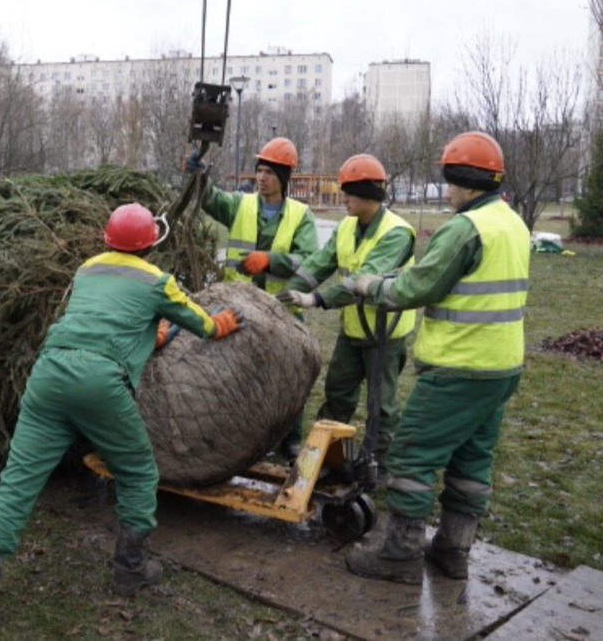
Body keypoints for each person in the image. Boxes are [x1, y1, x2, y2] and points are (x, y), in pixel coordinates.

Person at [0, 203, 244, 629]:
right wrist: (221, 324)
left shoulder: (87, 268)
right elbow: (201, 323)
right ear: (151, 244)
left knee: (18, 481)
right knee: (139, 473)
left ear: (108, 240)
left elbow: (100, 319)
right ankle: (130, 570)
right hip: (100, 382)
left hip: (49, 373)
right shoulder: (157, 280)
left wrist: (150, 335)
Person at [343, 132, 529, 585]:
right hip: (501, 367)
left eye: (448, 183)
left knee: (411, 456)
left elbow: (417, 286)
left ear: (465, 181)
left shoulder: (466, 228)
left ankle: (401, 556)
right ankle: (452, 550)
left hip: (458, 367)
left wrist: (368, 286)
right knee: (471, 460)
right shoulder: (513, 223)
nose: (445, 192)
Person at [276, 154, 417, 481]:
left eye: (348, 193)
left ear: (369, 194)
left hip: (384, 336)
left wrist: (316, 299)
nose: (343, 200)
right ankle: (330, 459)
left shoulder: (397, 234)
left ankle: (379, 466)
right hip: (353, 331)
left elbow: (360, 284)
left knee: (381, 405)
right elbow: (315, 268)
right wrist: (284, 298)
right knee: (338, 394)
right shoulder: (347, 228)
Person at [191, 136, 319, 458]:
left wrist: (271, 260)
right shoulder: (240, 205)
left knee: (289, 374)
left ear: (284, 177)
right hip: (241, 305)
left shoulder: (301, 215)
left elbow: (310, 258)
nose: (262, 178)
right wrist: (198, 175)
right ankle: (244, 436)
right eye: (259, 171)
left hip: (284, 308)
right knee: (239, 372)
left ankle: (290, 438)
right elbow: (209, 199)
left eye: (270, 172)